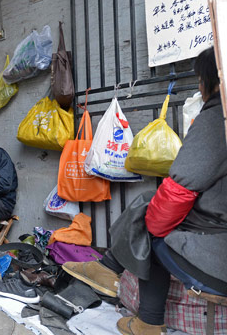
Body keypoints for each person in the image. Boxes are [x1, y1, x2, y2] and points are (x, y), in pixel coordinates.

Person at [62, 47, 227, 335]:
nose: (200, 86)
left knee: (150, 224)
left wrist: (147, 226)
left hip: (218, 254)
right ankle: (109, 268)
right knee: (150, 207)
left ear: (213, 80)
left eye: (201, 79)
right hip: (215, 230)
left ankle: (145, 318)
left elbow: (179, 190)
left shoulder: (218, 118)